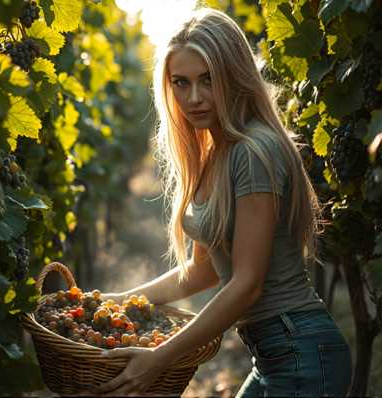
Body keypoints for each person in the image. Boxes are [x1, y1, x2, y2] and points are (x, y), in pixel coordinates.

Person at [92, 7, 353, 397]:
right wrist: (118, 302)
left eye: (208, 80)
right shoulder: (216, 154)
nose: (193, 98)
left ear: (234, 74)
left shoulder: (253, 151)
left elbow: (247, 285)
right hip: (274, 355)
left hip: (301, 352)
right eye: (180, 83)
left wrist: (159, 357)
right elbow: (203, 271)